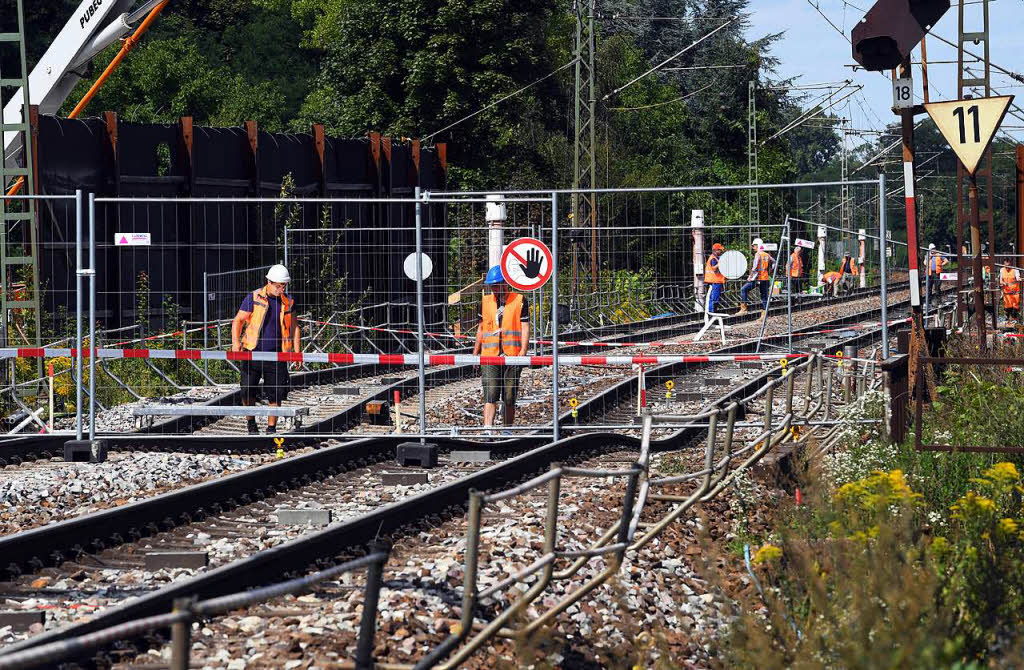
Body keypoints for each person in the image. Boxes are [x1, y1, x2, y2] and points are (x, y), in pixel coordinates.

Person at [231, 264, 301, 435]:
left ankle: (271, 429)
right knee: (247, 390)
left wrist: (297, 353)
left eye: (283, 285)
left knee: (275, 393)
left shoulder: (288, 301)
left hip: (277, 355)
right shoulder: (253, 298)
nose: (281, 288)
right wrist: (235, 343)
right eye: (278, 285)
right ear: (268, 282)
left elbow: (295, 328)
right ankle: (251, 424)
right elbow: (238, 321)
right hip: (251, 352)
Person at [473, 266, 529, 430]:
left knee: (509, 395)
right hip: (490, 356)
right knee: (490, 394)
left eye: (497, 285)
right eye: (492, 286)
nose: (494, 289)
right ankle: (488, 429)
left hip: (512, 356)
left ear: (506, 283)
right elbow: (481, 329)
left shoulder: (519, 300)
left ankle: (507, 429)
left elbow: (525, 327)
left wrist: (522, 352)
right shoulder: (485, 302)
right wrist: (475, 353)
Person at [739, 238, 774, 316]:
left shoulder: (758, 254)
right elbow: (774, 262)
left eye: (754, 245)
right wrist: (770, 270)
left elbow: (754, 267)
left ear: (758, 245)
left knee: (743, 289)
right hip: (765, 278)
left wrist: (750, 276)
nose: (753, 247)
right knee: (764, 296)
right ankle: (764, 315)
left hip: (757, 278)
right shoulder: (766, 254)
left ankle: (743, 309)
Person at [704, 243, 727, 313]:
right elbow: (714, 268)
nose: (721, 251)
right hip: (714, 281)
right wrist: (720, 263)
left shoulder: (716, 258)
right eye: (720, 250)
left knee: (715, 297)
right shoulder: (713, 258)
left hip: (717, 281)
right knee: (714, 297)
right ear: (715, 250)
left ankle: (713, 311)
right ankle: (711, 312)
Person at [1000, 259, 1021, 324]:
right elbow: (1001, 281)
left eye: (1008, 266)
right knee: (1007, 307)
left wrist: (1018, 279)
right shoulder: (1002, 270)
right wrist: (1003, 283)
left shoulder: (1015, 270)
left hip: (1015, 292)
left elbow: (1018, 278)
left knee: (1015, 307)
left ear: (1011, 264)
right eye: (1005, 266)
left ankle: (1015, 320)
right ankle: (1008, 320)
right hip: (1006, 292)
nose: (1007, 267)